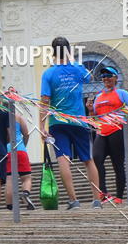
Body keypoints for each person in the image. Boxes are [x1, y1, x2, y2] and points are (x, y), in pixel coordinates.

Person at [39, 37, 102, 210]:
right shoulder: (77, 69)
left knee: (63, 159)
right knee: (88, 160)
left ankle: (74, 201)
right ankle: (96, 200)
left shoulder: (48, 74)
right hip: (79, 121)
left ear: (52, 52)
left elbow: (44, 101)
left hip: (57, 122)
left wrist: (41, 126)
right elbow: (89, 78)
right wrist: (72, 60)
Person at [91, 66, 128, 204]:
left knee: (117, 164)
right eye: (103, 76)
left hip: (115, 131)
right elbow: (94, 117)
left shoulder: (121, 93)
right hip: (101, 132)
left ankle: (119, 197)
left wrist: (125, 120)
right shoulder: (98, 97)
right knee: (96, 158)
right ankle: (103, 192)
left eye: (109, 75)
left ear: (115, 78)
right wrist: (90, 110)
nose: (106, 78)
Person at [5, 112, 35, 211]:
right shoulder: (17, 116)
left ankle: (10, 206)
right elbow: (26, 134)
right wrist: (23, 146)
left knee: (10, 179)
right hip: (20, 149)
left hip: (7, 150)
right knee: (26, 178)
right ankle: (26, 193)